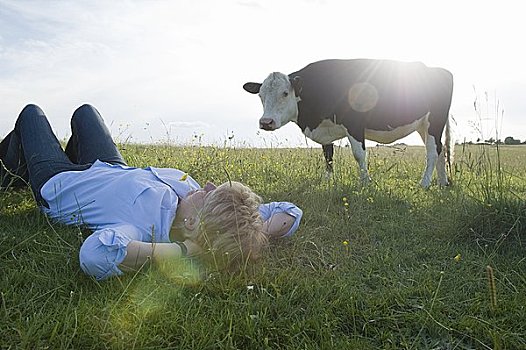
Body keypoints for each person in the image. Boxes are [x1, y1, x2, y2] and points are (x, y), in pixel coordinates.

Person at [0, 104, 303, 280]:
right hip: (110, 167)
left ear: (192, 224)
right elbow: (290, 211)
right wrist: (243, 235)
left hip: (61, 182)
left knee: (31, 114)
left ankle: (12, 172)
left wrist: (184, 252)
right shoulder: (196, 199)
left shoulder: (142, 230)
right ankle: (26, 153)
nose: (207, 186)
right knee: (85, 112)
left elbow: (95, 256)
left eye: (210, 195)